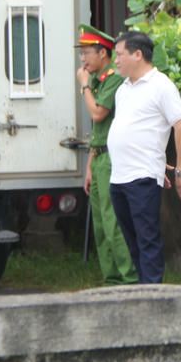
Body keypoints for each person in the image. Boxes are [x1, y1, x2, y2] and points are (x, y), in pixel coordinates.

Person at [107, 29, 181, 284]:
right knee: (131, 239)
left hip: (142, 177)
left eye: (120, 54)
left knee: (147, 239)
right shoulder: (123, 89)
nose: (116, 60)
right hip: (119, 176)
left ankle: (153, 293)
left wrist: (180, 170)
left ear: (138, 54)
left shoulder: (161, 85)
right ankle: (142, 290)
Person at [75, 25, 138, 285]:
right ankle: (112, 280)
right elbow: (99, 129)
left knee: (114, 222)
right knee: (100, 225)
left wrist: (84, 87)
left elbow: (98, 113)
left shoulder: (112, 79)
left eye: (87, 52)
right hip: (99, 157)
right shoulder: (100, 80)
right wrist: (89, 167)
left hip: (113, 159)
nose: (82, 59)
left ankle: (129, 279)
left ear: (103, 53)